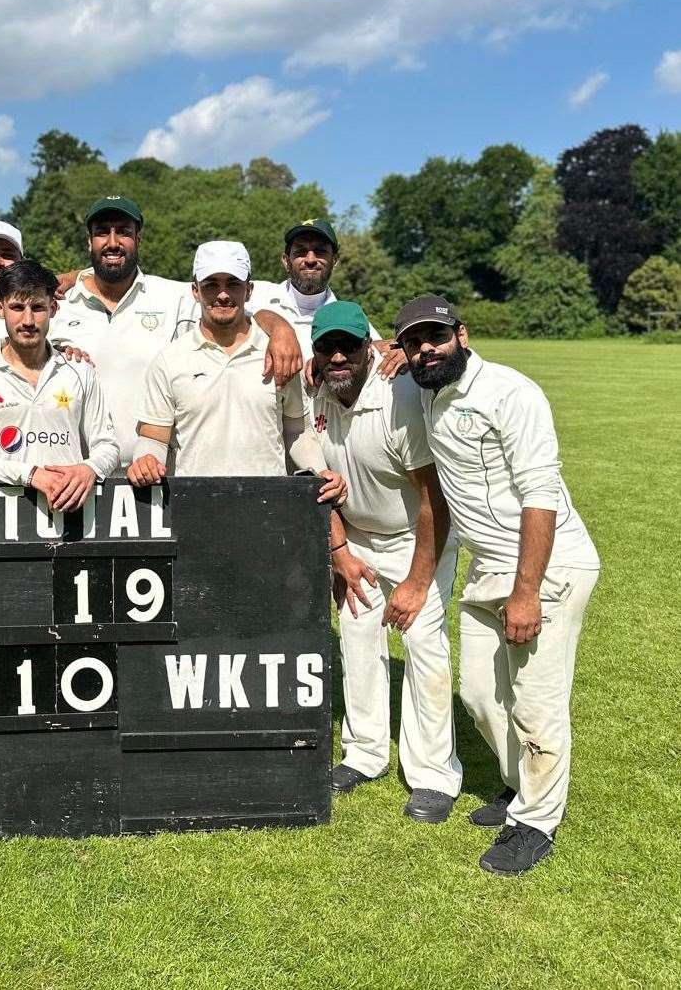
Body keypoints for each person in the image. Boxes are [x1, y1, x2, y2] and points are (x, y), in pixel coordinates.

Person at [396, 295, 600, 875]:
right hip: (488, 567)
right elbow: (377, 360)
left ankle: (536, 822)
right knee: (481, 697)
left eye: (436, 336)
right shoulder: (425, 387)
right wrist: (384, 355)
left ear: (462, 334)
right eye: (413, 342)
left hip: (546, 567)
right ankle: (521, 790)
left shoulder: (511, 392)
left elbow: (540, 493)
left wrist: (528, 590)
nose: (425, 348)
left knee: (536, 701)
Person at [308, 301, 462, 822]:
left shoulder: (399, 398)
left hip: (419, 538)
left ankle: (434, 775)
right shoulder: (315, 396)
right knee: (356, 637)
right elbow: (317, 487)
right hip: (356, 539)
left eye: (348, 347)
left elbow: (433, 500)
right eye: (326, 347)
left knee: (422, 645)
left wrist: (417, 584)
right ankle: (365, 753)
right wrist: (341, 554)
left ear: (368, 350)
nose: (337, 358)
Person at [51, 196, 303, 464]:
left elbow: (233, 306)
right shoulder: (55, 304)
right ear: (90, 241)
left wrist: (281, 329)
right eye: (102, 233)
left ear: (139, 239)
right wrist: (75, 276)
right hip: (77, 475)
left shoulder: (173, 296)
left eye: (124, 232)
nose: (113, 242)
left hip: (153, 475)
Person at [125, 240, 343, 504]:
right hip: (195, 508)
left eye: (233, 284)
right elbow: (153, 438)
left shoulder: (278, 354)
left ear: (249, 290)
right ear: (195, 290)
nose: (223, 294)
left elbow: (296, 430)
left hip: (270, 507)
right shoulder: (170, 360)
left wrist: (319, 471)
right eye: (211, 285)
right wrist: (146, 460)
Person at [0, 260, 119, 507]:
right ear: (0, 309)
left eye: (37, 307)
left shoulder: (79, 370)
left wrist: (89, 468)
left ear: (53, 308)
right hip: (1, 524)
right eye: (16, 307)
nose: (28, 320)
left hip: (73, 519)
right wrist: (30, 475)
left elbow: (107, 447)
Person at [246, 217, 403, 376]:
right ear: (286, 261)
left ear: (334, 261)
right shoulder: (254, 294)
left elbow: (383, 349)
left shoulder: (349, 316)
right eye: (300, 252)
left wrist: (403, 354)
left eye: (320, 251)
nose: (310, 259)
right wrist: (278, 325)